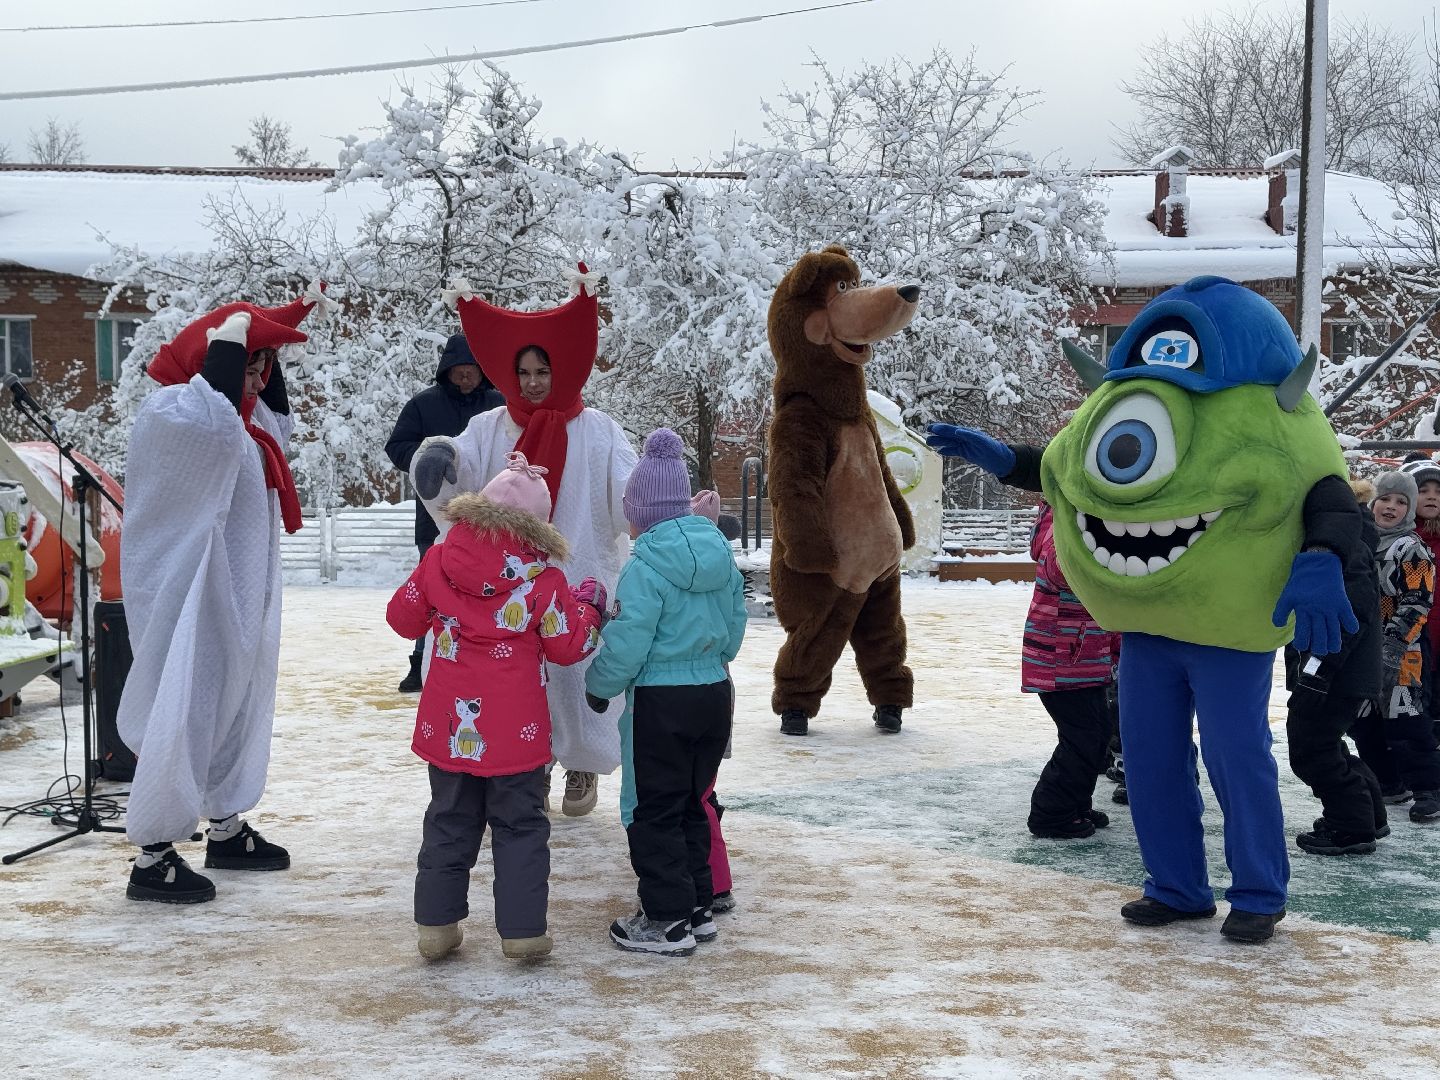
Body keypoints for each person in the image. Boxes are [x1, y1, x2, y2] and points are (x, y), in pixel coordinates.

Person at [119, 283, 331, 904]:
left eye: (266, 366)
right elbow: (207, 428)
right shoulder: (176, 411)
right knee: (184, 706)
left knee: (239, 704)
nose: (259, 376)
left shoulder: (248, 423)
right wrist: (230, 342)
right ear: (216, 359)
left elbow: (272, 420)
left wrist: (268, 343)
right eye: (250, 362)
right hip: (192, 598)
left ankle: (226, 826)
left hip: (242, 594)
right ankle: (153, 856)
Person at [412, 269, 636, 817]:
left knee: (577, 673)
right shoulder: (491, 427)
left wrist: (659, 499)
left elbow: (627, 488)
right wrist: (437, 458)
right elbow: (457, 469)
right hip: (505, 588)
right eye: (524, 372)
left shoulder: (598, 430)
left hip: (579, 570)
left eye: (543, 370)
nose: (533, 382)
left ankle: (581, 761)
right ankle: (526, 767)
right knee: (516, 683)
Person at [386, 452, 605, 960]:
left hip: (448, 728)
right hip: (517, 735)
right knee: (521, 826)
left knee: (448, 819)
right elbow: (569, 647)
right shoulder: (545, 582)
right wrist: (590, 609)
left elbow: (402, 619)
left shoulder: (438, 559)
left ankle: (436, 928)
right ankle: (523, 931)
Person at [584, 429, 747, 956]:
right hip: (713, 695)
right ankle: (697, 905)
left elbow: (628, 641)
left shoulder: (644, 565)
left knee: (652, 809)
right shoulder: (719, 552)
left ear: (640, 514)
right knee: (692, 804)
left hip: (661, 703)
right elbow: (736, 627)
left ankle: (665, 920)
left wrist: (599, 684)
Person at [385, 334, 504, 693]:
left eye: (472, 372)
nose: (466, 379)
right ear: (447, 372)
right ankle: (420, 661)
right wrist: (426, 463)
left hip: (492, 515)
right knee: (434, 590)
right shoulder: (423, 405)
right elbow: (398, 446)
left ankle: (488, 655)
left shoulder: (499, 405)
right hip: (437, 514)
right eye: (459, 373)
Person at [1286, 476, 1387, 855]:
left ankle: (1351, 826)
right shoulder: (1349, 540)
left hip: (1335, 669)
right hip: (1335, 668)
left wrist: (1317, 671)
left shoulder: (1344, 548)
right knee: (1326, 743)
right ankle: (1369, 815)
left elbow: (1352, 614)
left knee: (1311, 748)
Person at [1021, 500, 1122, 840]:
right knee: (1081, 737)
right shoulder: (1062, 522)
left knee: (1097, 733)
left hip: (1085, 656)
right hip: (1059, 659)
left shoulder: (1089, 520)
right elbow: (1058, 567)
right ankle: (1051, 813)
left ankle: (1076, 802)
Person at [1357, 471, 1440, 823]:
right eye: (1385, 499)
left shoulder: (1411, 547)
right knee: (1362, 720)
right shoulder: (1361, 541)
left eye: (1401, 502)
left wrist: (1394, 641)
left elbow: (1419, 600)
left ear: (1409, 512)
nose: (1391, 506)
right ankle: (1389, 782)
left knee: (1404, 718)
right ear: (1372, 503)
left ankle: (1429, 788)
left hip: (1403, 650)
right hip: (1361, 648)